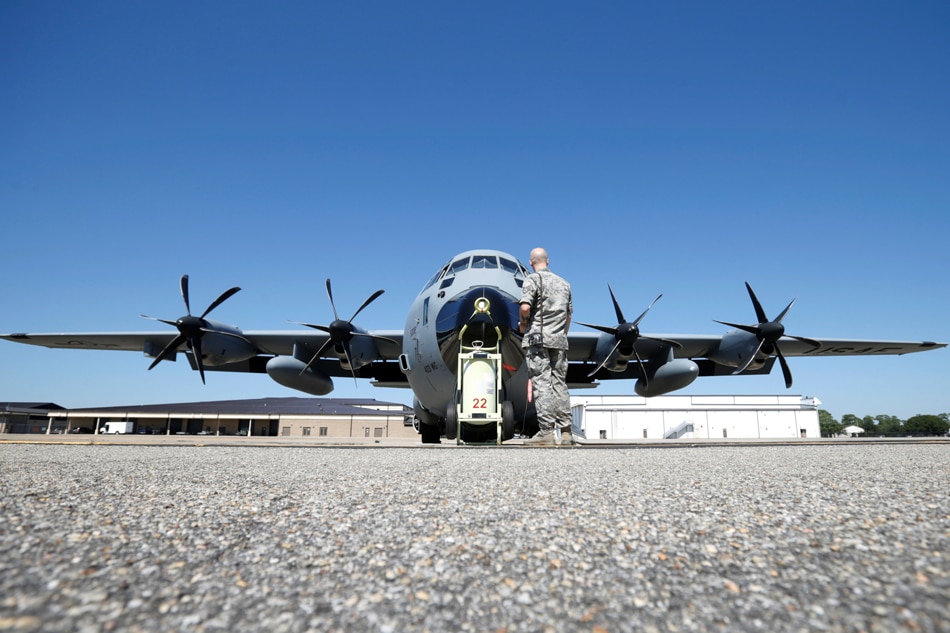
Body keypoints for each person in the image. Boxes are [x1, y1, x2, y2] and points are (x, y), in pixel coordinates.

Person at [519, 247, 573, 445]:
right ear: (548, 261)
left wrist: (523, 324)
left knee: (542, 384)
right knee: (560, 384)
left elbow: (525, 307)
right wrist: (561, 334)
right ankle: (567, 433)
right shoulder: (564, 284)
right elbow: (568, 316)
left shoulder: (533, 280)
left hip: (538, 341)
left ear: (531, 262)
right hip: (559, 340)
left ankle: (546, 432)